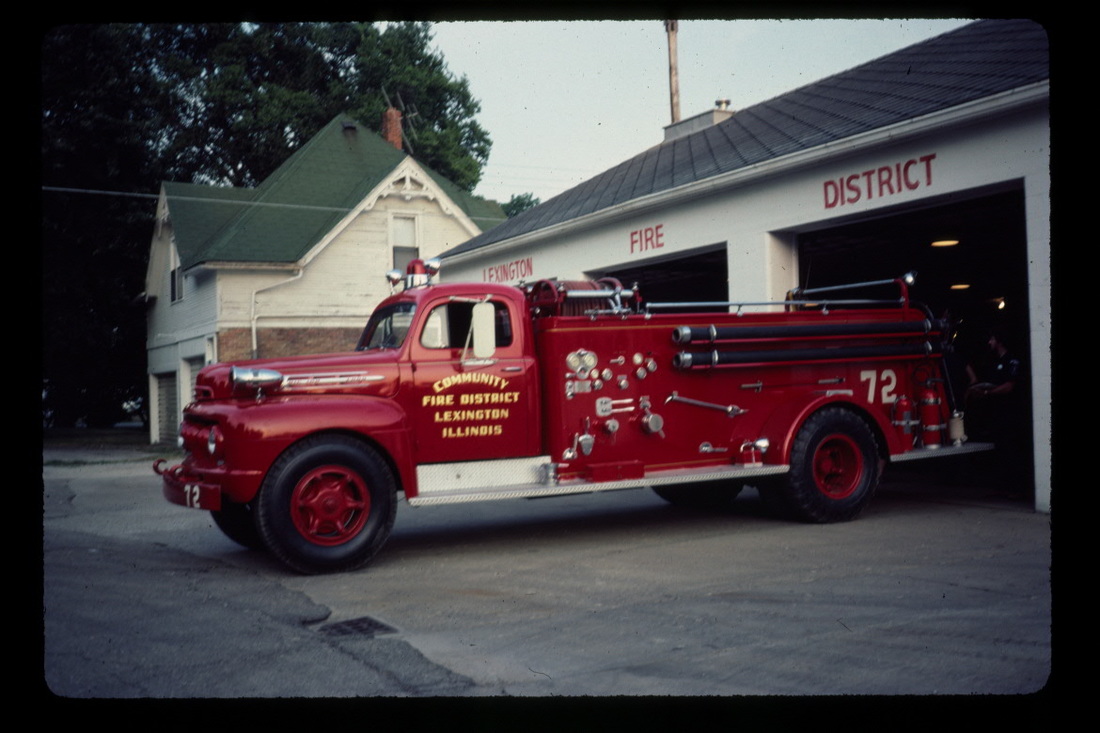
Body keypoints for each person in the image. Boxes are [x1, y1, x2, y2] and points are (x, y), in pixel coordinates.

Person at [964, 328, 1029, 496]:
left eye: (992, 339)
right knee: (1000, 449)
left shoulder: (1012, 361)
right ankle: (1003, 486)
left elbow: (1009, 386)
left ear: (999, 341)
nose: (989, 342)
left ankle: (1016, 488)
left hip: (1010, 414)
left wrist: (988, 392)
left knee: (1011, 450)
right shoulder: (993, 362)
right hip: (996, 414)